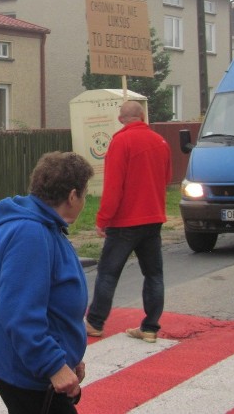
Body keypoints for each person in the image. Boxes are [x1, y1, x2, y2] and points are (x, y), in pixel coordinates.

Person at [0, 151, 94, 414]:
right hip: (29, 372)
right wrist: (54, 365)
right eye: (85, 193)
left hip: (32, 366)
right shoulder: (31, 233)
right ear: (72, 196)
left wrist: (69, 356)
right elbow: (19, 314)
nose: (85, 200)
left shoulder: (42, 225)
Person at [85, 100, 171, 343]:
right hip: (153, 218)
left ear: (121, 119)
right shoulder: (161, 142)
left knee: (108, 273)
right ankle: (150, 327)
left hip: (125, 222)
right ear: (142, 116)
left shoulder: (120, 142)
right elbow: (165, 178)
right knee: (154, 274)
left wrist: (103, 219)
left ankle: (95, 322)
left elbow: (113, 187)